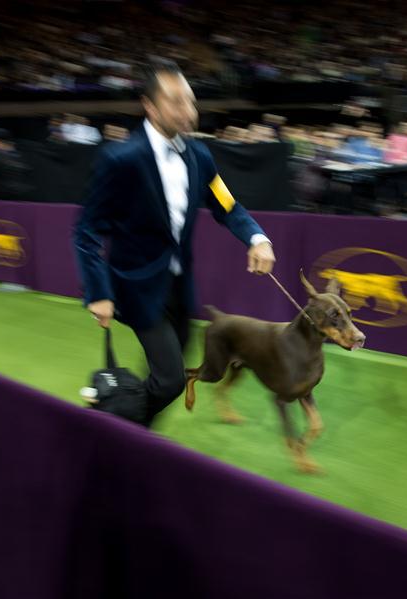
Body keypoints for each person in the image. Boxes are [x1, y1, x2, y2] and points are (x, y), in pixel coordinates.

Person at [74, 59, 276, 427]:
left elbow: (227, 206)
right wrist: (98, 292)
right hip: (135, 287)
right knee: (170, 380)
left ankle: (132, 431)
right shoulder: (120, 159)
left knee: (166, 374)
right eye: (176, 101)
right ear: (150, 106)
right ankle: (124, 430)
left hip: (179, 288)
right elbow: (86, 231)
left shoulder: (200, 155)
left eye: (191, 101)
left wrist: (256, 237)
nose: (188, 111)